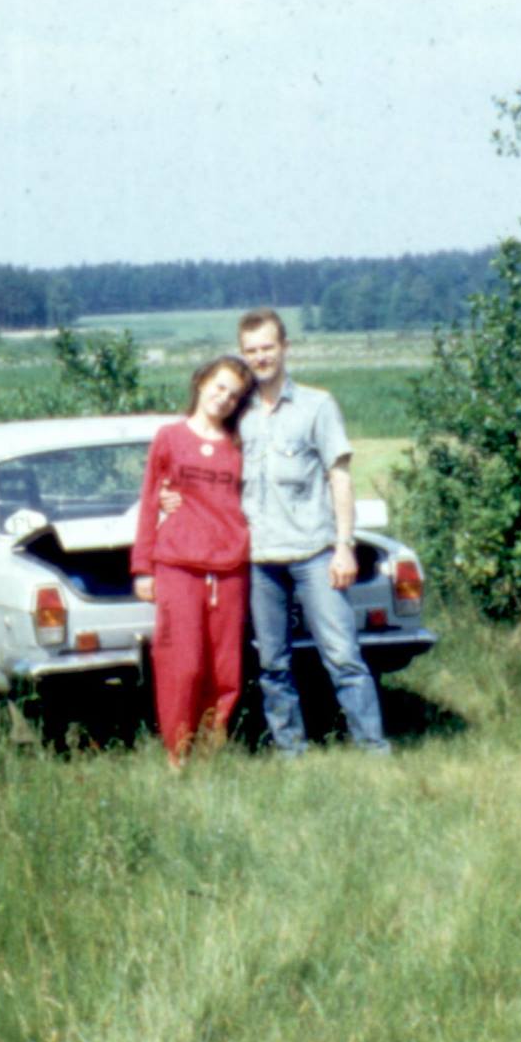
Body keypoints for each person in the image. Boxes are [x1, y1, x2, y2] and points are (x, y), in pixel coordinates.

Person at [233, 308, 388, 754]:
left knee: (343, 656)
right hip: (259, 559)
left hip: (314, 553)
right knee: (272, 663)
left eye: (268, 347)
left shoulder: (317, 406)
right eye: (251, 351)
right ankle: (290, 750)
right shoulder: (237, 412)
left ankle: (373, 749)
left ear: (285, 348)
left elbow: (340, 478)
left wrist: (344, 547)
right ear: (242, 354)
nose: (260, 357)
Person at [131, 355, 255, 768]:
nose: (224, 399)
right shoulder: (169, 438)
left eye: (234, 395)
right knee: (181, 665)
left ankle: (210, 754)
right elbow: (150, 502)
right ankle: (177, 754)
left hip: (230, 567)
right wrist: (143, 567)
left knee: (225, 671)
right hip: (178, 566)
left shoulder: (241, 445)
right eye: (219, 387)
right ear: (201, 382)